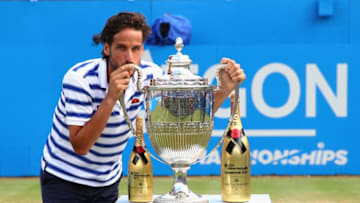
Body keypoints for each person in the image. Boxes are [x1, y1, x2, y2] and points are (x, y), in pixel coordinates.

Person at [40, 11, 246, 203]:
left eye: (136, 48)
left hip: (108, 181)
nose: (130, 57)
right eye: (121, 48)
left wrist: (224, 90)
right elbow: (81, 145)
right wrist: (111, 97)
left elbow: (184, 121)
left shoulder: (150, 75)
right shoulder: (79, 78)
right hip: (64, 179)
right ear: (106, 48)